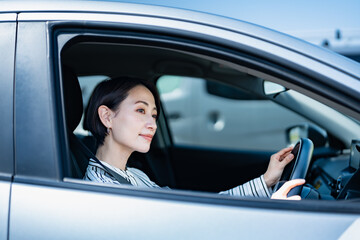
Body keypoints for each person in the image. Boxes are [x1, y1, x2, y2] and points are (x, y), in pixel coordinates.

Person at [83, 77, 305, 200]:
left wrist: (265, 181)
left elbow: (198, 210)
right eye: (141, 111)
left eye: (153, 115)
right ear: (107, 117)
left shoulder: (134, 175)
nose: (152, 124)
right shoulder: (106, 192)